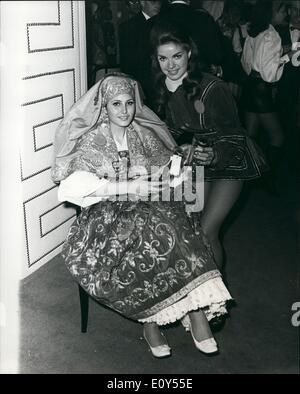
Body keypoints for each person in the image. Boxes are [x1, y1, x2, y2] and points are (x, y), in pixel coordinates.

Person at [51, 73, 233, 358]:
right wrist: (125, 187)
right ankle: (153, 323)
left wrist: (181, 163)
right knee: (152, 228)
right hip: (104, 215)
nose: (124, 111)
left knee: (177, 220)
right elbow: (70, 188)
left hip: (148, 207)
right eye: (116, 104)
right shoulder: (92, 141)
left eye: (129, 103)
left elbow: (166, 176)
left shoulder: (142, 134)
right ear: (104, 107)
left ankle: (195, 311)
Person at [149, 22, 267, 271]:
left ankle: (216, 300)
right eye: (163, 58)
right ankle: (197, 289)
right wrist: (171, 144)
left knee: (207, 231)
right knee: (188, 225)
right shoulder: (165, 86)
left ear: (189, 53)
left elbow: (233, 135)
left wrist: (214, 154)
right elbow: (174, 128)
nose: (170, 65)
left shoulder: (213, 87)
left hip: (230, 159)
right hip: (198, 160)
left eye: (177, 56)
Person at [241, 0, 296, 185]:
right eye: (283, 11)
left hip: (249, 86)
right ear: (273, 13)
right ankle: (266, 180)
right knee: (278, 137)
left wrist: (278, 55)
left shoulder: (254, 31)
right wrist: (287, 57)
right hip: (261, 91)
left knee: (250, 135)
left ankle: (245, 177)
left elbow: (247, 63)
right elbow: (270, 74)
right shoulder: (272, 35)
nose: (286, 15)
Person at [119, 1, 162, 101]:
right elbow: (127, 63)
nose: (157, 4)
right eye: (153, 1)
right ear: (142, 2)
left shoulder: (165, 23)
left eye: (159, 1)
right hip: (141, 85)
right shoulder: (128, 27)